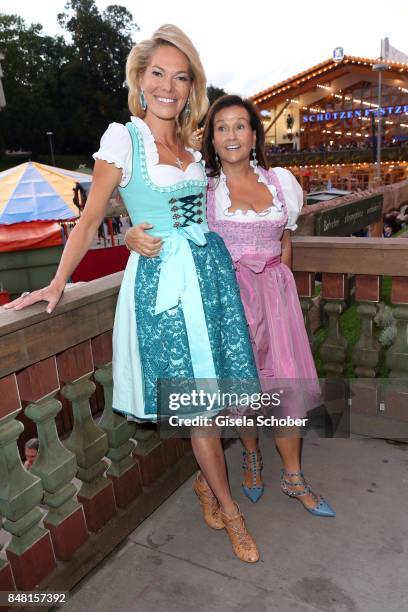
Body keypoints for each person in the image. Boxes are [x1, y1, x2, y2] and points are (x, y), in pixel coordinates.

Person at [4, 26, 259, 563]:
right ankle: (231, 511)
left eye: (181, 77)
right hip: (165, 289)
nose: (169, 86)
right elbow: (91, 213)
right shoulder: (124, 136)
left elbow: (163, 205)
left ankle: (208, 487)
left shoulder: (189, 142)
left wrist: (140, 222)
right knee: (200, 413)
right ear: (140, 79)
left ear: (192, 87)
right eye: (158, 73)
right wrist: (56, 283)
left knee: (214, 400)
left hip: (208, 277)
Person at [125, 94, 336, 517]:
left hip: (275, 297)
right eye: (222, 128)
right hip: (227, 296)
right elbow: (166, 229)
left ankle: (293, 477)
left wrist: (284, 291)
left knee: (286, 387)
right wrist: (132, 235)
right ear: (212, 140)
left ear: (254, 134)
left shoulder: (279, 182)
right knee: (244, 388)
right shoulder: (202, 188)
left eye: (240, 125)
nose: (232, 135)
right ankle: (251, 458)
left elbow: (285, 240)